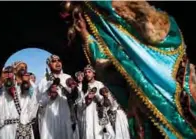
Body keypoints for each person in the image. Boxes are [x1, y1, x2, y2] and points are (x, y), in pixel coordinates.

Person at [61, 1, 196, 138]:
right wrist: (85, 36)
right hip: (141, 117)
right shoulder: (124, 56)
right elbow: (107, 66)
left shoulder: (163, 34)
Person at [0, 62, 38, 139]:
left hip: (23, 128)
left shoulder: (29, 84)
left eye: (25, 68)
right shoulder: (5, 85)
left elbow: (35, 100)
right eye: (21, 67)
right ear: (14, 70)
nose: (23, 69)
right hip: (6, 129)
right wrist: (0, 83)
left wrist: (28, 83)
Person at [37, 54, 79, 139]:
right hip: (50, 118)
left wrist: (75, 90)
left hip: (67, 115)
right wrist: (49, 94)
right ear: (49, 65)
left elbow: (76, 99)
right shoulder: (44, 80)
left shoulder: (68, 77)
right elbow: (40, 103)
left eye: (59, 60)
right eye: (54, 61)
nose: (57, 63)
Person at [77, 64, 115, 139]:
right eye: (85, 72)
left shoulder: (99, 84)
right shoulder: (82, 87)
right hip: (88, 116)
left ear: (93, 73)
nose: (87, 74)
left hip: (99, 116)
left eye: (89, 72)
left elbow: (107, 103)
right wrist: (87, 99)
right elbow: (79, 104)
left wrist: (103, 97)